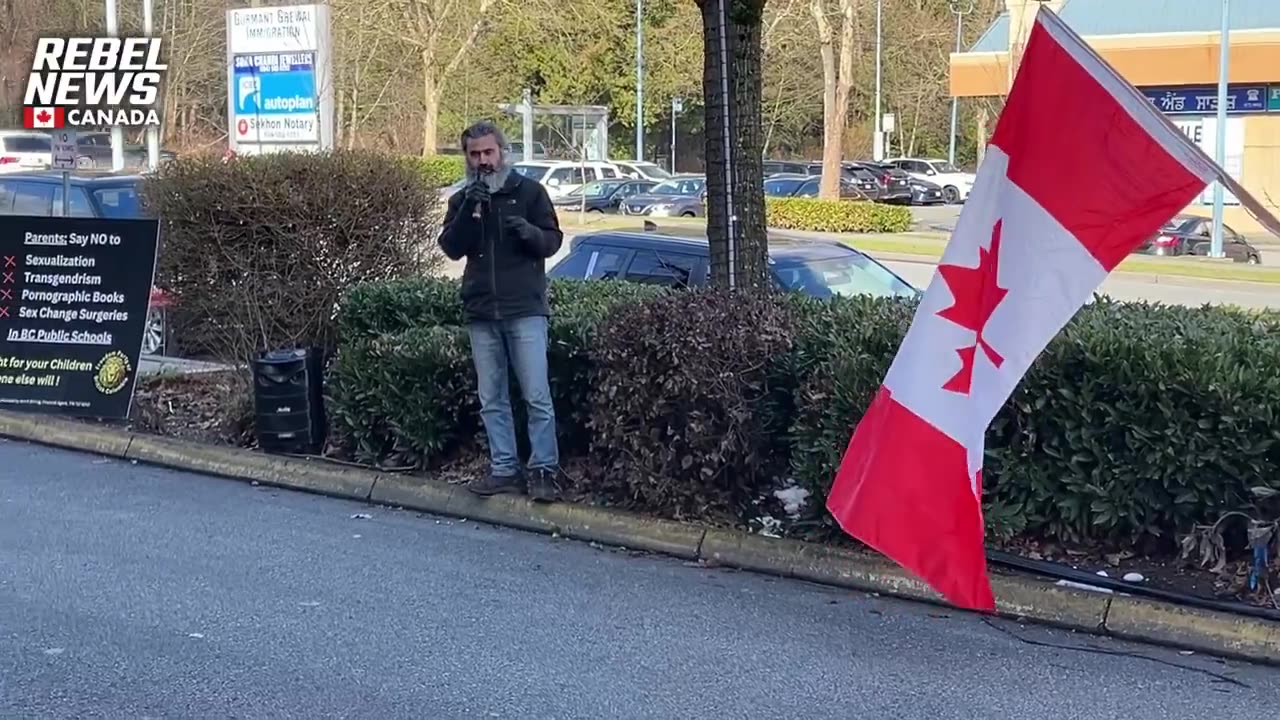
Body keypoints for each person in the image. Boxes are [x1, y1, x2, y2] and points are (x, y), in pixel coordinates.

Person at [437, 120, 565, 501]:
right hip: (481, 311)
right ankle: (504, 468)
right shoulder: (462, 200)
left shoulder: (529, 192)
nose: (482, 162)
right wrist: (469, 210)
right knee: (492, 397)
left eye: (488, 153)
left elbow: (552, 241)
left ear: (502, 153)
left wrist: (528, 231)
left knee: (536, 394)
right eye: (474, 155)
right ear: (467, 158)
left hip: (524, 308)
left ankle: (544, 469)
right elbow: (451, 248)